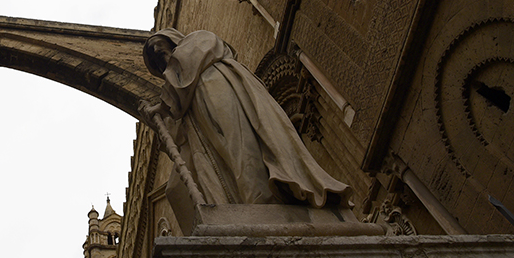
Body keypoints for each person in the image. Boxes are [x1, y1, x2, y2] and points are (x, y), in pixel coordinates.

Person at [139, 29, 353, 208]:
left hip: (219, 88)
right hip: (201, 110)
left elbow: (185, 69)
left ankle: (263, 198)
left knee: (241, 145)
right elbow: (179, 134)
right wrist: (159, 120)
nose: (157, 51)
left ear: (171, 38)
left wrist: (161, 106)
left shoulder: (199, 40)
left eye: (157, 44)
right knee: (222, 161)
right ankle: (248, 203)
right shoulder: (179, 99)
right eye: (153, 55)